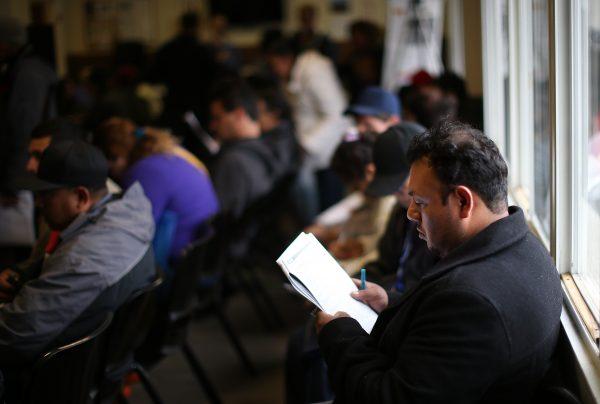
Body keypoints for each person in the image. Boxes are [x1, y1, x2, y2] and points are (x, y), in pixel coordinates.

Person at [316, 119, 563, 403]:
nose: (410, 213)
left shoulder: (471, 301)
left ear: (463, 201)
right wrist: (391, 303)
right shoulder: (524, 246)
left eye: (420, 202)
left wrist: (339, 335)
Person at [0, 139, 155, 401]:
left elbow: (12, 338)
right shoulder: (131, 213)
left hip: (53, 381)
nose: (38, 204)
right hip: (94, 369)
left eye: (45, 195)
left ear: (81, 197)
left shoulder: (85, 259)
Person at [93, 117, 217, 266]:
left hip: (177, 260)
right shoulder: (168, 155)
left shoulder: (144, 171)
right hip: (198, 254)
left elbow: (130, 231)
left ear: (115, 157)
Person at [266, 38, 350, 220]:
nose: (274, 70)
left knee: (329, 208)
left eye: (274, 64)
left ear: (285, 59)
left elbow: (337, 113)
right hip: (312, 151)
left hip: (329, 150)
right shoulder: (291, 75)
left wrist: (305, 144)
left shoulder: (314, 70)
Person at [208, 80, 280, 220]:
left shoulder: (232, 161)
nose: (213, 126)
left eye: (218, 118)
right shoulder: (270, 149)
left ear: (239, 114)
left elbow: (218, 219)